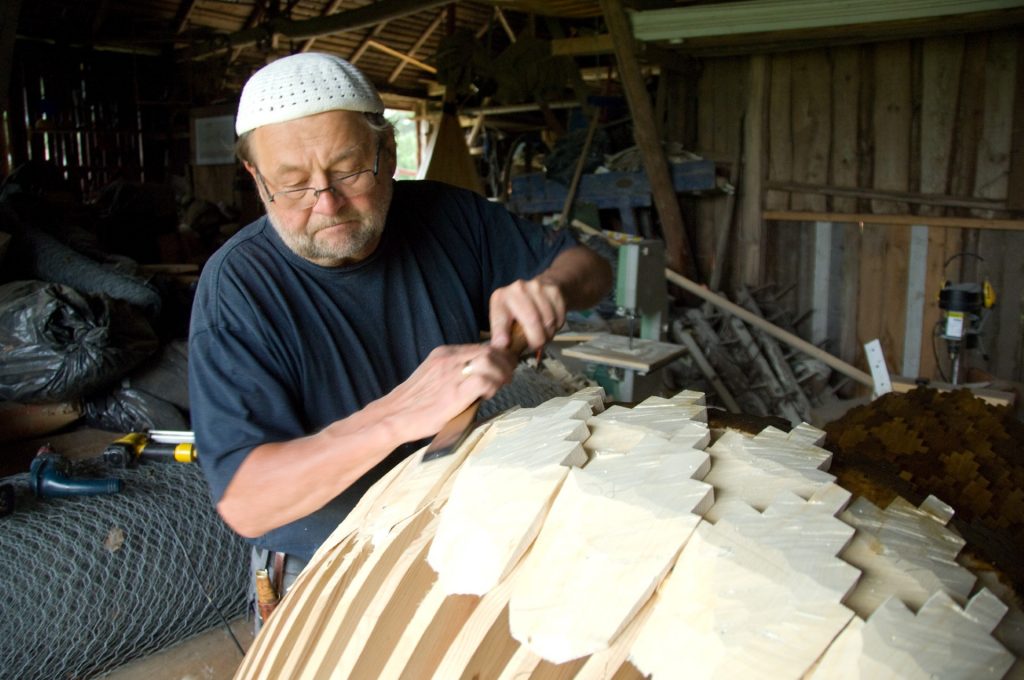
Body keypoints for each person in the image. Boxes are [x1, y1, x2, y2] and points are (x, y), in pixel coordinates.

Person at [187, 52, 612, 602]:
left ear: (386, 152)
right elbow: (248, 501)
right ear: (255, 177)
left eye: (347, 171)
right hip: (323, 561)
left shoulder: (450, 217)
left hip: (450, 522)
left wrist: (552, 289)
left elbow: (591, 267)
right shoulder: (238, 287)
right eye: (291, 185)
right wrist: (398, 414)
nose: (327, 203)